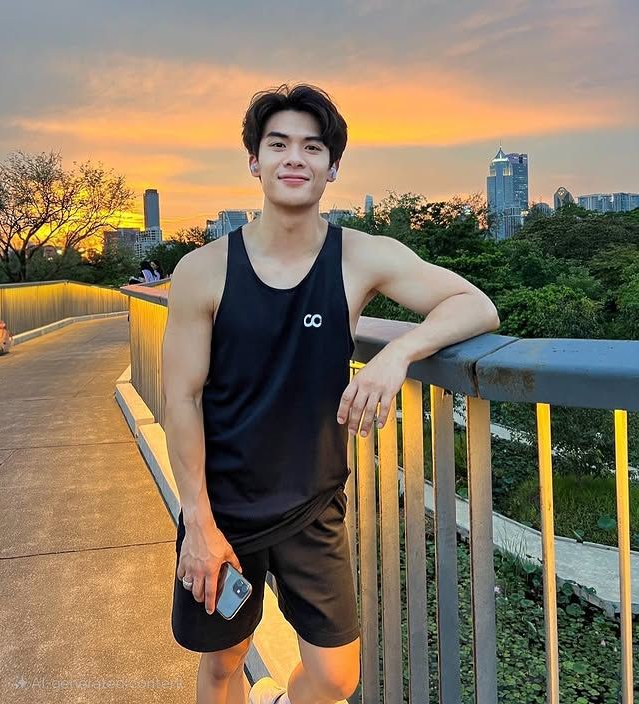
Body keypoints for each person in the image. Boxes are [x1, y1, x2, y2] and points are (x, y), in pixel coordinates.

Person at [162, 83, 500, 704]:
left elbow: (475, 305)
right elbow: (180, 400)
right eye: (278, 144)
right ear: (255, 162)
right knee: (223, 663)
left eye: (312, 147)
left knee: (336, 677)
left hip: (313, 502)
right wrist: (199, 524)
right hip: (223, 507)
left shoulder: (360, 257)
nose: (295, 158)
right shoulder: (203, 270)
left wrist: (397, 353)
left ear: (332, 167)